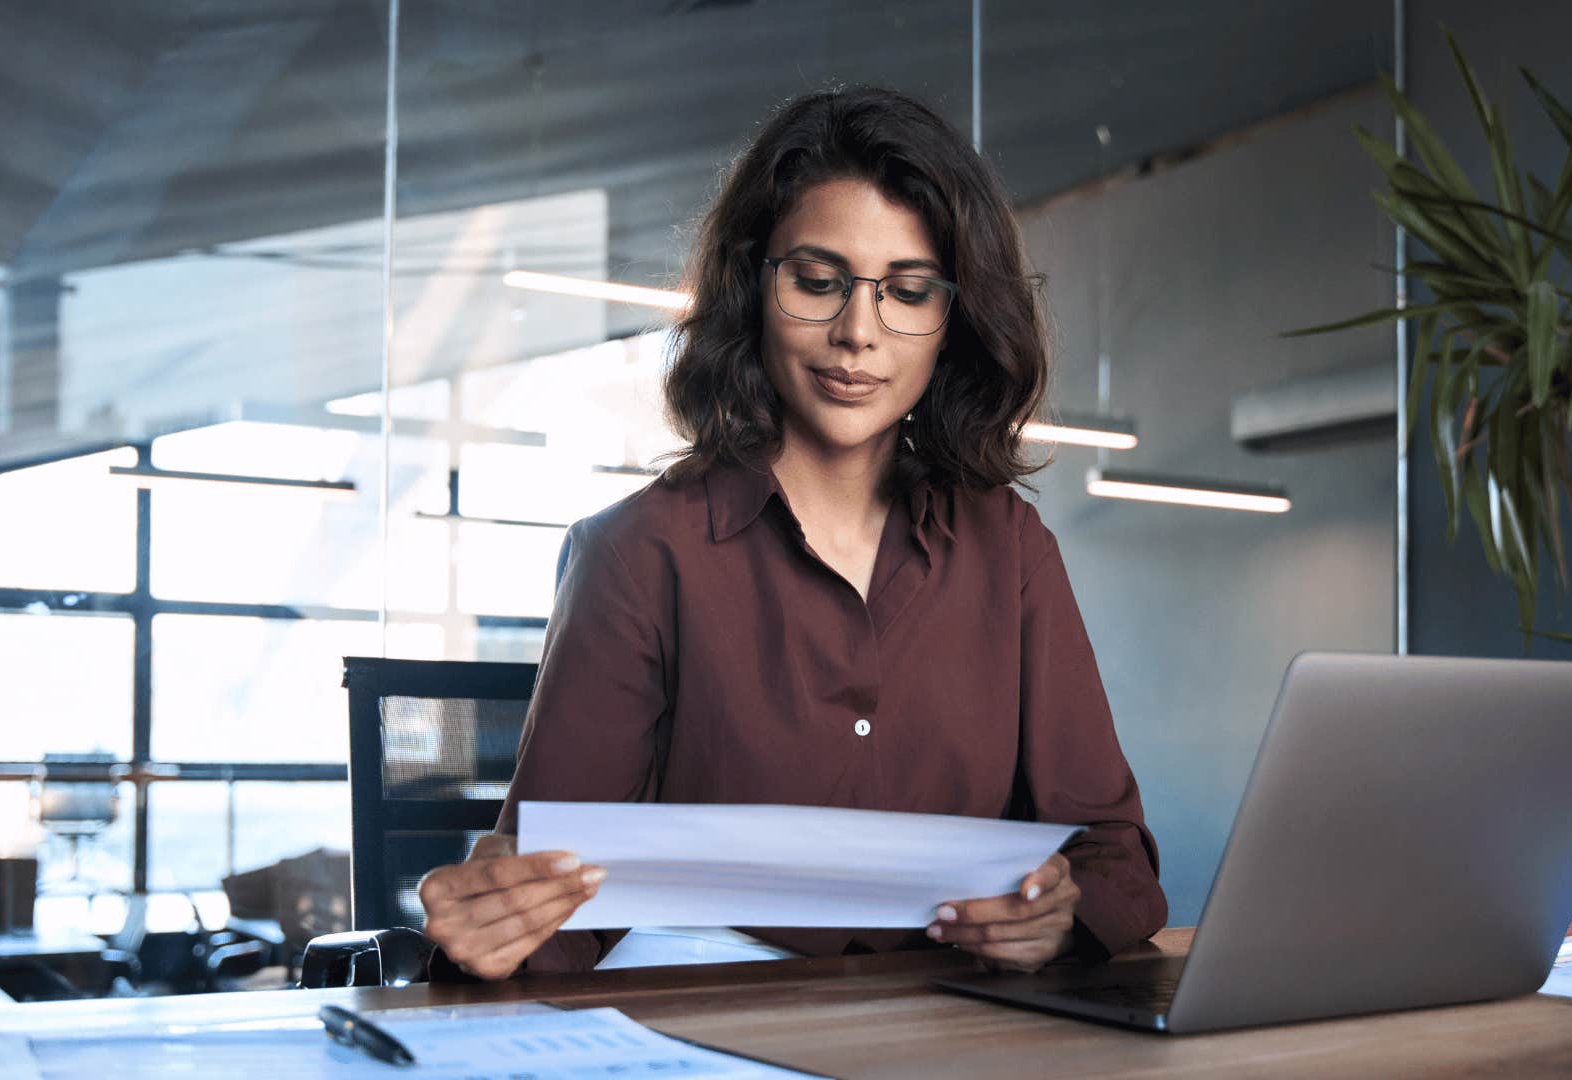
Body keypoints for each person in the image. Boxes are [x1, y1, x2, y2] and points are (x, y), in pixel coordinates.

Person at [416, 85, 1166, 982]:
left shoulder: (1010, 551)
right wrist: (492, 928)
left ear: (951, 321)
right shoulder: (639, 553)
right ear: (752, 287)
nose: (858, 334)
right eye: (817, 281)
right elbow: (553, 905)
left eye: (909, 291)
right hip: (711, 1017)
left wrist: (1060, 917)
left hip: (958, 1026)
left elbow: (1114, 855)